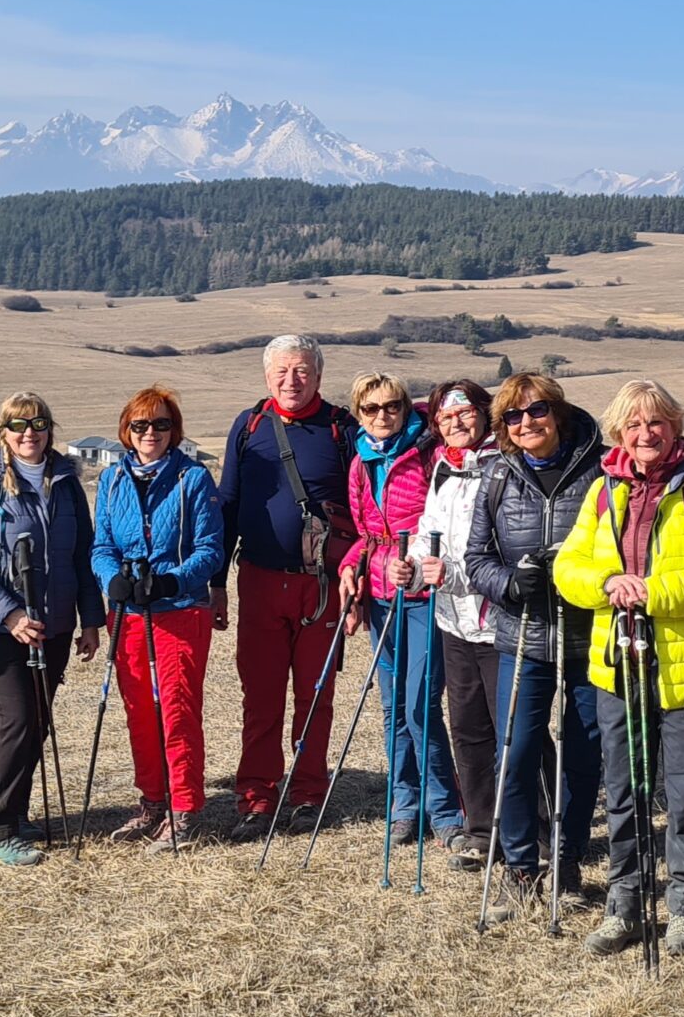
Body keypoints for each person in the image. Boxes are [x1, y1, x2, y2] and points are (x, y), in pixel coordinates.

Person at [553, 379, 684, 958]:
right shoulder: (603, 489)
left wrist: (651, 593)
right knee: (624, 792)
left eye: (657, 422)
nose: (646, 434)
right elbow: (569, 568)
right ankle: (626, 904)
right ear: (619, 431)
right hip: (620, 666)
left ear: (676, 424)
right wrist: (607, 583)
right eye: (634, 425)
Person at [463, 373, 607, 920]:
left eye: (537, 410)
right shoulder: (496, 476)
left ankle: (568, 860)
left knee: (583, 753)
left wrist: (585, 577)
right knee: (516, 751)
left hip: (588, 635)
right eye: (513, 417)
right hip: (522, 635)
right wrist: (510, 583)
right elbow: (476, 559)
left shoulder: (600, 471)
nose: (527, 423)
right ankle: (521, 866)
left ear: (558, 412)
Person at [216, 334, 359, 841]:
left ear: (318, 375)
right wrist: (216, 584)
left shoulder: (342, 428)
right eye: (281, 371)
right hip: (258, 580)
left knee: (315, 697)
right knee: (261, 698)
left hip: (322, 588)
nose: (291, 380)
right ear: (266, 376)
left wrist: (357, 578)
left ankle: (307, 796)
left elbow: (363, 508)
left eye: (301, 371)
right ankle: (256, 799)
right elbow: (228, 503)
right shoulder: (249, 425)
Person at [0, 392, 104, 866]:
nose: (29, 433)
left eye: (38, 423)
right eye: (18, 425)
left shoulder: (66, 484)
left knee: (37, 719)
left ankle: (16, 813)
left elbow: (82, 555)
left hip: (53, 622)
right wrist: (10, 615)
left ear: (50, 430)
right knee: (16, 719)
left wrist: (91, 620)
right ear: (3, 432)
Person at [90, 386, 226, 848]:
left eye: (161, 424)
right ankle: (153, 800)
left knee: (177, 711)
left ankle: (184, 809)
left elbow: (210, 549)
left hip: (179, 611)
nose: (151, 433)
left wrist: (171, 581)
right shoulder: (112, 479)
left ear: (175, 430)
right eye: (141, 425)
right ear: (126, 430)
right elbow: (102, 545)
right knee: (139, 713)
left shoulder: (193, 479)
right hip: (128, 612)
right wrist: (112, 579)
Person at [342, 372, 464, 852]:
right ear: (358, 413)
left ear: (406, 409)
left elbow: (442, 524)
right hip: (379, 594)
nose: (383, 416)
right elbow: (366, 535)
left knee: (419, 706)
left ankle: (446, 811)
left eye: (392, 406)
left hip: (423, 595)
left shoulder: (429, 454)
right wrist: (351, 566)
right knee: (393, 708)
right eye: (371, 409)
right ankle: (404, 807)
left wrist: (416, 561)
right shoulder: (360, 462)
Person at [409, 379, 501, 870]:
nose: (456, 423)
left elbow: (506, 545)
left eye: (464, 413)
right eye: (446, 417)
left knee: (514, 733)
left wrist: (453, 573)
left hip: (500, 621)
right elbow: (429, 533)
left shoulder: (504, 466)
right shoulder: (444, 468)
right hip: (453, 620)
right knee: (467, 730)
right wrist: (411, 565)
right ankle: (481, 830)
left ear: (484, 414)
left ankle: (537, 829)